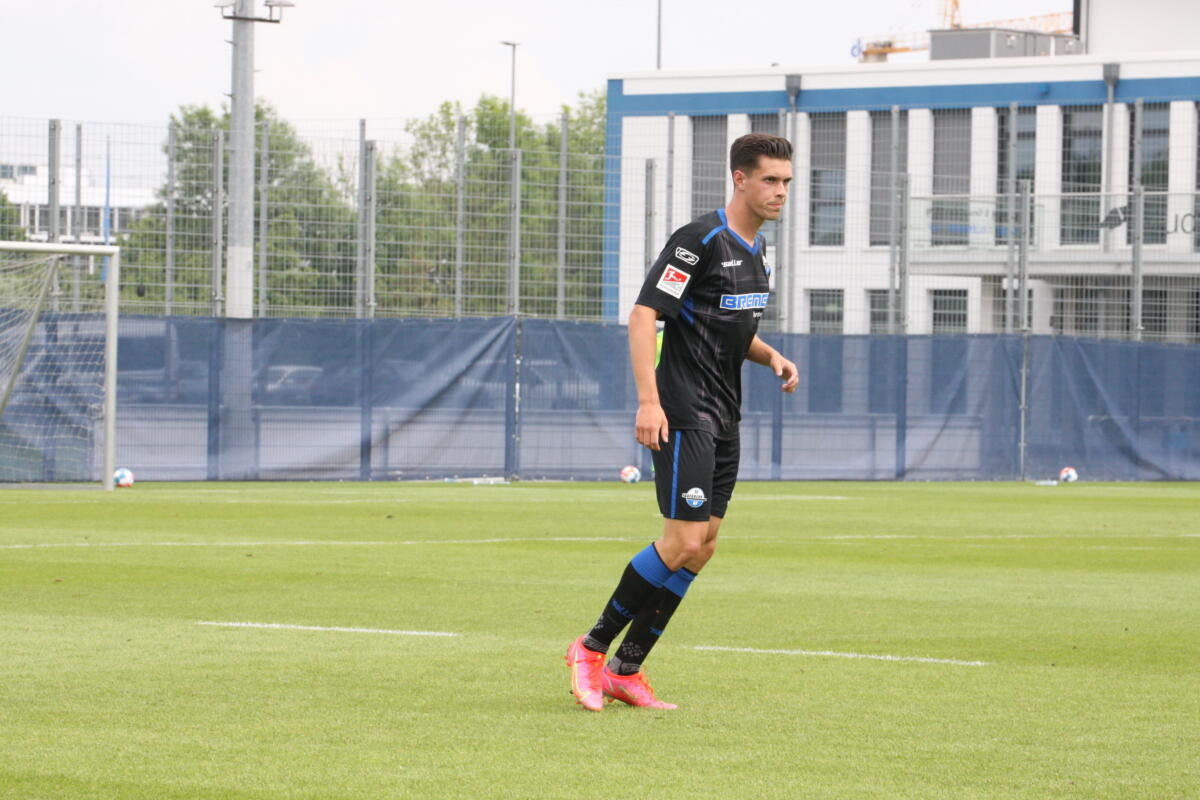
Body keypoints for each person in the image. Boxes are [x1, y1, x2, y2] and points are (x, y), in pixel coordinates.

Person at [566, 133, 799, 711]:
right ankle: (591, 649)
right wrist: (650, 402)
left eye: (787, 181)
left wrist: (769, 355)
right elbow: (646, 314)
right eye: (770, 179)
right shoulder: (698, 241)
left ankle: (628, 667)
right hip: (683, 410)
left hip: (725, 413)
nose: (781, 192)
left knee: (705, 545)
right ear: (740, 178)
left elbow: (732, 330)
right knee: (683, 539)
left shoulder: (759, 251)